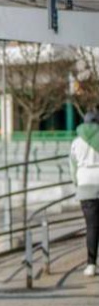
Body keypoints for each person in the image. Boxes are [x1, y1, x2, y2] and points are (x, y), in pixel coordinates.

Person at [70, 111, 99, 277]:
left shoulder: (76, 143)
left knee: (92, 227)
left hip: (85, 187)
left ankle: (91, 264)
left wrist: (77, 184)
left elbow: (72, 168)